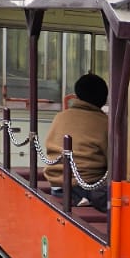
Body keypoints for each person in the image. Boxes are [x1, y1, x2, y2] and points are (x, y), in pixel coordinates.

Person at [43, 72, 109, 213]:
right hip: (87, 188)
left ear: (77, 95)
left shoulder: (60, 117)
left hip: (56, 185)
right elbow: (114, 163)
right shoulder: (104, 123)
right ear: (103, 99)